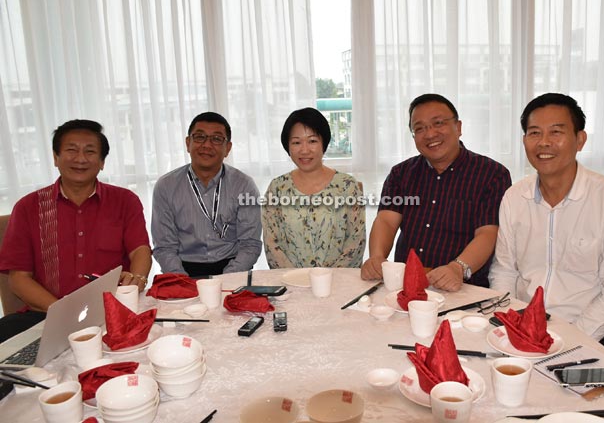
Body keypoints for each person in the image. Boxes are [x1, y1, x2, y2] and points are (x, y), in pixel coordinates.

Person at [488, 93, 604, 354]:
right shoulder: (514, 197)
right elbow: (504, 271)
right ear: (524, 140)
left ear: (579, 140)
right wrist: (512, 325)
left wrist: (566, 341)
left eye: (556, 132)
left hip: (588, 334)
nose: (544, 142)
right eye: (534, 133)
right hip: (522, 330)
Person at [0, 119, 151, 343]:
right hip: (45, 315)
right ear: (55, 157)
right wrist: (63, 314)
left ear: (102, 162)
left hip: (112, 312)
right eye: (71, 150)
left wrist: (138, 278)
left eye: (90, 151)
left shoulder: (125, 201)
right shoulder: (28, 208)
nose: (80, 159)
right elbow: (19, 279)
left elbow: (140, 250)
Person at [361, 93, 511, 290]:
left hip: (463, 287)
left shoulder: (492, 174)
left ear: (458, 127)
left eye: (438, 123)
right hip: (405, 284)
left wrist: (458, 268)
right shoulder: (401, 173)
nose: (430, 134)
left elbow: (487, 233)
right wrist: (377, 257)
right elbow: (386, 221)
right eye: (419, 128)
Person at [151, 112, 261, 277]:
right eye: (200, 137)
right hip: (183, 269)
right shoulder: (166, 186)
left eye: (216, 139)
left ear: (227, 148)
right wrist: (183, 281)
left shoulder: (244, 185)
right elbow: (165, 247)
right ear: (188, 143)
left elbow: (250, 244)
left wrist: (225, 280)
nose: (207, 145)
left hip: (232, 267)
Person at [262, 108, 366, 268]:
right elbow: (271, 244)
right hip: (290, 284)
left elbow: (356, 242)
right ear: (287, 146)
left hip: (338, 283)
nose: (304, 150)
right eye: (296, 142)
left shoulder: (347, 186)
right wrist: (295, 279)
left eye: (312, 141)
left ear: (324, 142)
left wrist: (327, 279)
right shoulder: (277, 188)